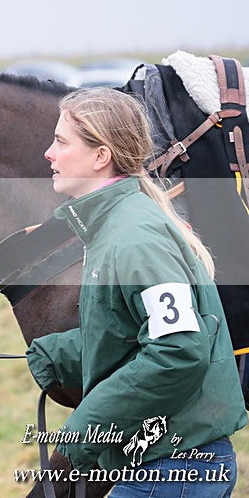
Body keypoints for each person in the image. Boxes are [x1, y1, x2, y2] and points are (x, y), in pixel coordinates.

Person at [26, 87, 247, 496]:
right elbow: (130, 333)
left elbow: (178, 350)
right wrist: (54, 355)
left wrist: (85, 426)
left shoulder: (133, 238)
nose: (49, 154)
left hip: (173, 468)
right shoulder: (113, 226)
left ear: (100, 156)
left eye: (61, 141)